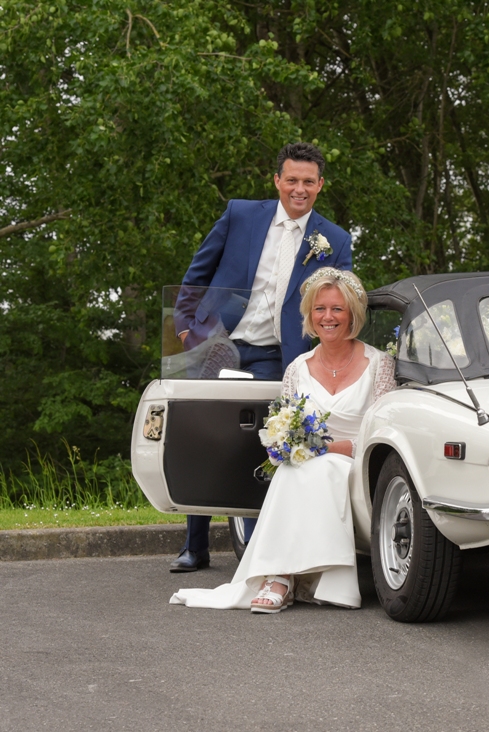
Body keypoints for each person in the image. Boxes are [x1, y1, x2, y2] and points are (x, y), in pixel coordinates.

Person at [169, 142, 353, 573]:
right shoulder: (240, 214)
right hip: (218, 343)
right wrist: (184, 326)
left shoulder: (335, 240)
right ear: (277, 181)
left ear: (320, 185)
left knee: (260, 442)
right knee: (203, 437)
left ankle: (254, 544)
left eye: (308, 181)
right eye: (291, 180)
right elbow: (198, 272)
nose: (299, 189)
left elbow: (340, 300)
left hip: (276, 355)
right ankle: (195, 546)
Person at [170, 268, 396, 612]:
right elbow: (285, 425)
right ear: (309, 315)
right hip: (309, 464)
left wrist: (331, 448)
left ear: (352, 314)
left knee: (317, 467)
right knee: (294, 468)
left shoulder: (380, 364)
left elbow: (385, 433)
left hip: (358, 463)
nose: (328, 317)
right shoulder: (297, 368)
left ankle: (279, 579)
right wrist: (290, 444)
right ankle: (282, 577)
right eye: (320, 309)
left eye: (337, 309)